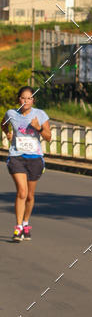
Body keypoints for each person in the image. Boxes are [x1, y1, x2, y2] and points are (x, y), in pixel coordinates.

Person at [2, 86, 51, 242]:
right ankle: (18, 228)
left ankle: (25, 223)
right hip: (16, 157)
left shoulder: (40, 115)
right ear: (19, 99)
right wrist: (8, 133)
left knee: (30, 195)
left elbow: (48, 137)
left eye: (29, 98)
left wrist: (38, 128)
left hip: (35, 158)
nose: (26, 101)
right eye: (23, 98)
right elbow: (3, 124)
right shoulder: (11, 114)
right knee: (22, 192)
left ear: (33, 100)